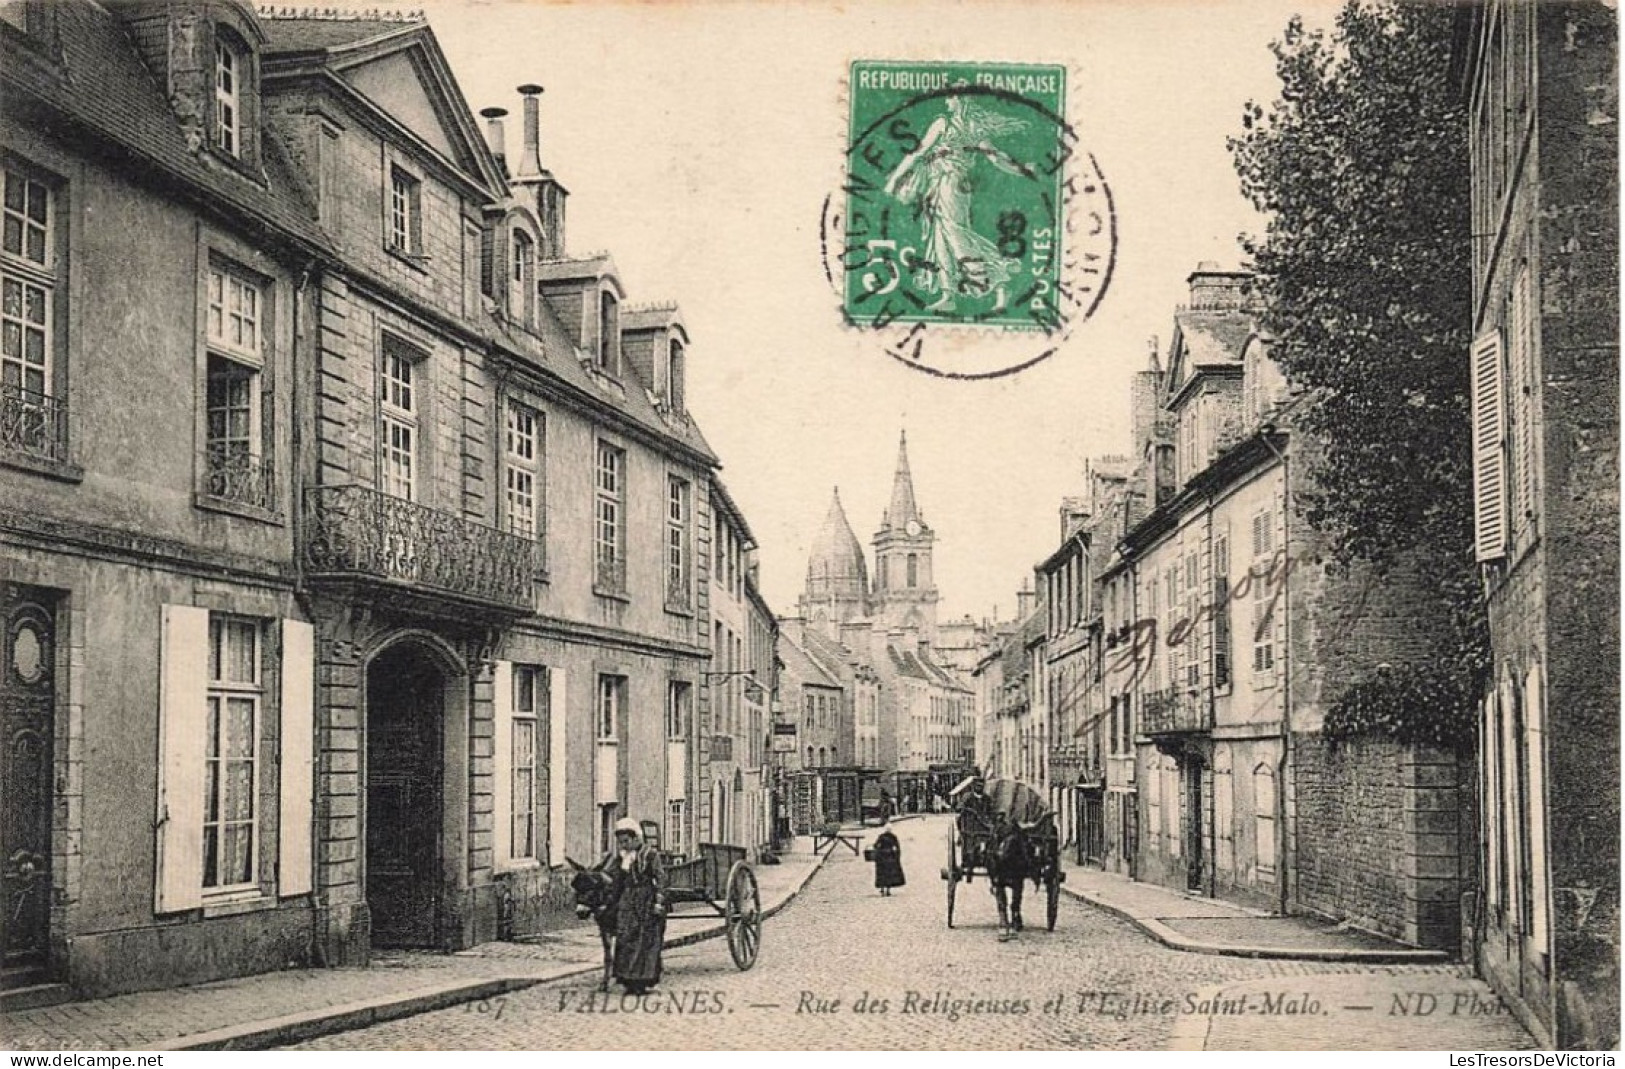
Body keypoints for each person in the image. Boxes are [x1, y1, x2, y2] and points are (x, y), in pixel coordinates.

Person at [604, 817, 667, 994]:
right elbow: (614, 879)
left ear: (635, 839)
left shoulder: (650, 855)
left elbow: (660, 878)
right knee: (625, 938)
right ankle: (627, 980)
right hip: (627, 900)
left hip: (645, 899)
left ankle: (641, 982)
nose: (623, 845)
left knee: (644, 940)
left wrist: (658, 902)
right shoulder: (621, 858)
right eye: (620, 842)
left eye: (626, 841)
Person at [872, 820, 905, 897]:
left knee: (882, 873)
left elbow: (875, 845)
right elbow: (897, 847)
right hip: (890, 857)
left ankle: (882, 888)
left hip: (882, 856)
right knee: (889, 874)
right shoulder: (893, 837)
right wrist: (897, 856)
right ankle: (888, 890)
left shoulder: (881, 836)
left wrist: (878, 851)